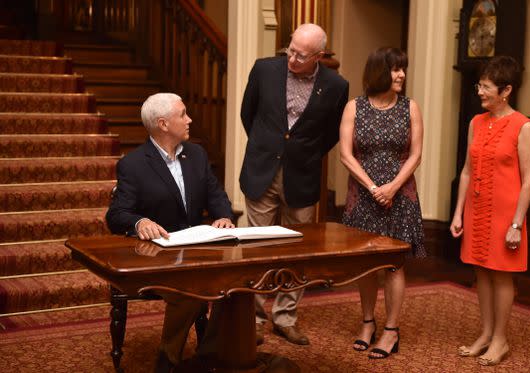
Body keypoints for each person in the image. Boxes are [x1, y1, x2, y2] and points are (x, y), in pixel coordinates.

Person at [106, 93, 235, 372]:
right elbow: (116, 215)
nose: (189, 119)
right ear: (163, 124)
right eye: (183, 114)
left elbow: (216, 195)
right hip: (155, 256)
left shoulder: (197, 155)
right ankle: (168, 360)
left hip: (197, 252)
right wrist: (139, 222)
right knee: (191, 288)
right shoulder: (134, 164)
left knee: (237, 281)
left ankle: (210, 352)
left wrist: (223, 216)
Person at [240, 23, 349, 345]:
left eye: (302, 56)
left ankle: (285, 317)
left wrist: (303, 153)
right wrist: (268, 146)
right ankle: (256, 317)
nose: (293, 59)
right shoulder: (264, 69)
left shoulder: (335, 85)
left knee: (298, 251)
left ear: (319, 56)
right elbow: (249, 114)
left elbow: (331, 133)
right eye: (291, 50)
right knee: (257, 248)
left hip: (302, 176)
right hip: (262, 169)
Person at [339, 47, 425, 359]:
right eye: (394, 69)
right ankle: (367, 322)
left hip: (400, 196)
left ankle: (391, 329)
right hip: (362, 195)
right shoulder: (354, 107)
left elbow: (415, 155)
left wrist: (392, 187)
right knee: (366, 264)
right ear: (379, 72)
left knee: (394, 264)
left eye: (403, 68)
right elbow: (346, 155)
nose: (401, 74)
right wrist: (375, 187)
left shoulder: (410, 107)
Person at [450, 56, 530, 366]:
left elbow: (529, 180)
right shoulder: (476, 122)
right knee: (481, 271)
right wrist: (458, 212)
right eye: (479, 85)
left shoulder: (523, 126)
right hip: (476, 208)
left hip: (506, 214)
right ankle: (486, 334)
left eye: (486, 87)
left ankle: (500, 339)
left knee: (502, 276)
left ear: (506, 90)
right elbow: (466, 172)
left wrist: (516, 223)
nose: (480, 92)